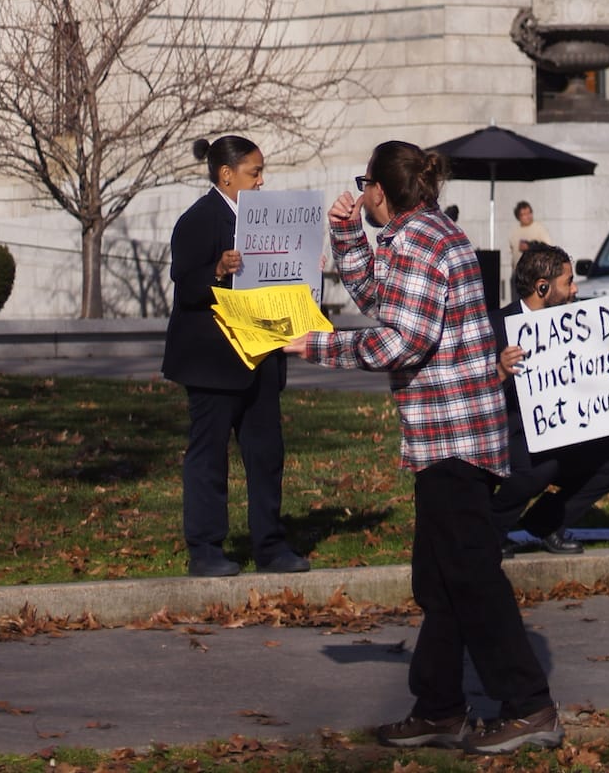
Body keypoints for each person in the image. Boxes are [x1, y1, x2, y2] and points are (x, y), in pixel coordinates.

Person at [286, 140, 562, 756]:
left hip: (452, 437)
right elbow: (384, 301)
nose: (360, 195)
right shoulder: (432, 233)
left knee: (471, 578)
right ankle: (438, 706)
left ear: (379, 190)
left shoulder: (418, 242)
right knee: (439, 580)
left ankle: (529, 705)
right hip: (453, 433)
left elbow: (400, 340)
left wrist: (314, 346)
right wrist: (349, 235)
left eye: (364, 186)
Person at [161, 135, 310, 579]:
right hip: (213, 362)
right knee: (209, 456)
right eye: (254, 172)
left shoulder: (264, 219)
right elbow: (186, 286)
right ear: (226, 174)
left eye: (262, 172)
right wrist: (217, 271)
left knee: (266, 453)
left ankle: (269, 544)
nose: (262, 181)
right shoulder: (199, 219)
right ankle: (205, 548)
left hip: (259, 353)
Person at [491, 244, 609, 555]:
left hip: (566, 432)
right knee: (543, 466)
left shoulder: (583, 326)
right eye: (568, 281)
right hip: (511, 438)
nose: (575, 289)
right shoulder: (495, 327)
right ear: (543, 287)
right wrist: (502, 372)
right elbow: (469, 393)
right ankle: (490, 529)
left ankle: (547, 522)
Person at [507, 199, 551, 266]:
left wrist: (530, 246)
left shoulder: (539, 228)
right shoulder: (514, 231)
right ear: (518, 217)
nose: (528, 216)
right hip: (518, 271)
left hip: (535, 272)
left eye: (529, 213)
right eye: (524, 214)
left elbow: (548, 247)